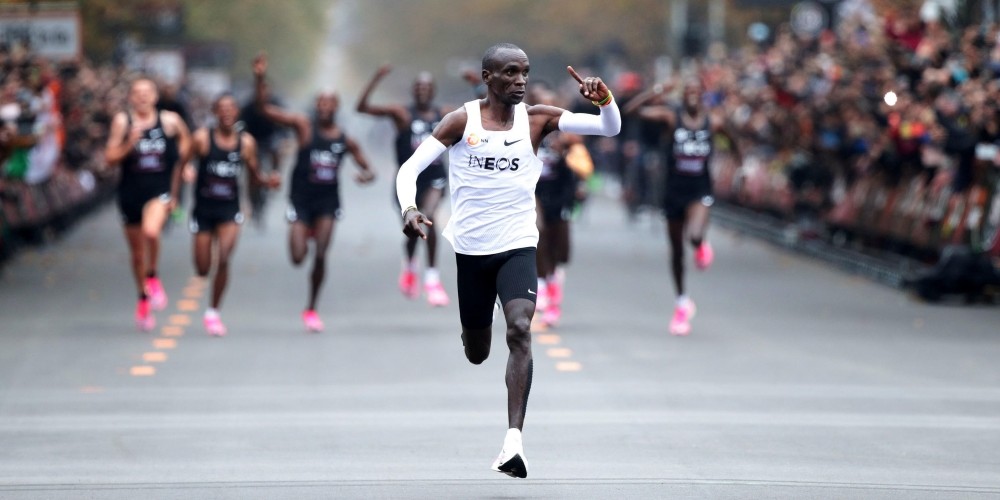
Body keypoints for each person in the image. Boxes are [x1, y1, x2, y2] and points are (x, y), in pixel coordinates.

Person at [396, 43, 620, 479]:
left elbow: (609, 129)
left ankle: (513, 442)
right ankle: (471, 335)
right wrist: (409, 208)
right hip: (471, 251)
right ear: (487, 77)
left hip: (518, 244)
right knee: (479, 352)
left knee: (520, 328)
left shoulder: (538, 119)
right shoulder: (460, 121)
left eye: (525, 73)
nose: (520, 81)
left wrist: (605, 99)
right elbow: (409, 170)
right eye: (510, 73)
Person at [251, 53, 376, 332]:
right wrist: (260, 77)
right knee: (297, 258)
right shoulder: (303, 127)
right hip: (301, 199)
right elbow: (265, 110)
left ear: (336, 107)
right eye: (319, 103)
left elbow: (369, 168)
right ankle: (302, 231)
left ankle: (311, 308)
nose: (322, 108)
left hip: (328, 202)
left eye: (328, 104)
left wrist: (365, 176)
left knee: (320, 255)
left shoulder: (345, 139)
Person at [623, 79, 738, 336]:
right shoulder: (671, 117)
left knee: (694, 235)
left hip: (700, 190)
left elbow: (733, 142)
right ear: (682, 97)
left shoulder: (714, 122)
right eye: (688, 93)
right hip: (673, 191)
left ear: (703, 96)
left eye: (697, 92)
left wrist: (736, 165)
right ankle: (682, 303)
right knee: (676, 251)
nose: (693, 97)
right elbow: (630, 112)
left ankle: (700, 244)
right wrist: (654, 91)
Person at [185, 93, 280, 336]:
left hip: (230, 209)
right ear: (215, 112)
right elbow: (181, 164)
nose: (227, 113)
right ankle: (208, 283)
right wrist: (175, 194)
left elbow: (254, 175)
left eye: (231, 108)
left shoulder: (246, 143)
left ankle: (213, 313)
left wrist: (268, 182)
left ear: (236, 113)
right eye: (222, 109)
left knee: (224, 258)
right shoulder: (202, 139)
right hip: (204, 210)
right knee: (203, 268)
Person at [356, 65, 450, 306]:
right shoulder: (402, 115)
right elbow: (362, 108)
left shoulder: (445, 115)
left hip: (435, 179)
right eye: (418, 87)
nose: (422, 91)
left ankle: (432, 279)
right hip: (407, 181)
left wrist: (477, 86)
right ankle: (409, 264)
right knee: (411, 229)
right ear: (412, 91)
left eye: (427, 87)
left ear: (433, 91)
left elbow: (479, 114)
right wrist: (375, 78)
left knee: (429, 217)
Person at [104, 77, 190, 331]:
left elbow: (187, 142)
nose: (142, 97)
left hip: (159, 189)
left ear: (155, 96)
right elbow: (110, 157)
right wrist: (129, 144)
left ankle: (153, 277)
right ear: (130, 97)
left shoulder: (170, 120)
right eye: (137, 93)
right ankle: (142, 299)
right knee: (137, 253)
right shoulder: (123, 122)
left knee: (151, 231)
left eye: (147, 92)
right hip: (130, 191)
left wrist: (185, 166)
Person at [529, 84, 593, 328]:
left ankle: (553, 284)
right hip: (534, 194)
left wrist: (567, 150)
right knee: (538, 231)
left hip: (561, 195)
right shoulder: (524, 131)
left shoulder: (565, 132)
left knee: (560, 252)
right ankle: (542, 286)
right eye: (535, 101)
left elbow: (584, 166)